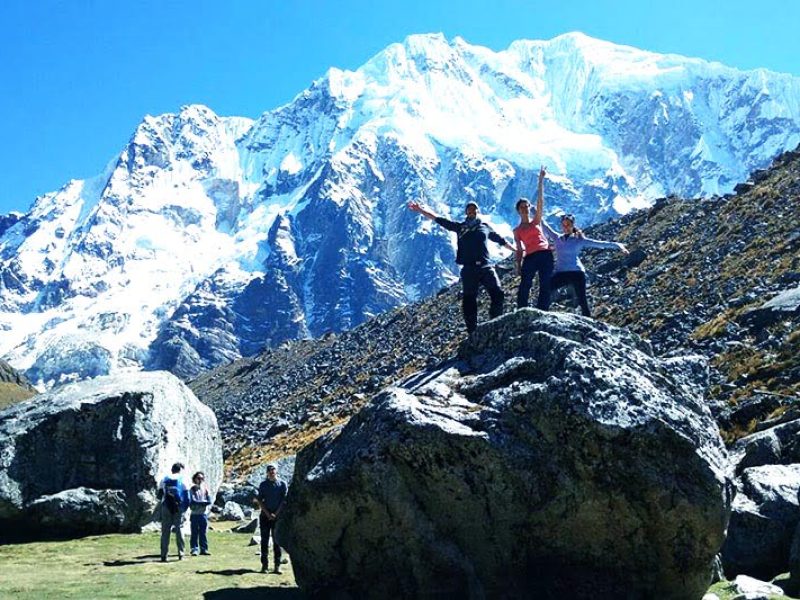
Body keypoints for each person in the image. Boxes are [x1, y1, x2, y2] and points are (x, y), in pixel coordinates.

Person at [407, 199, 515, 333]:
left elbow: (500, 240)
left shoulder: (485, 227)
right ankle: (472, 331)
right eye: (469, 209)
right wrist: (420, 210)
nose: (471, 211)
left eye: (474, 209)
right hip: (469, 268)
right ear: (466, 212)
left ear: (477, 211)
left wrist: (516, 251)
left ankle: (495, 322)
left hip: (486, 266)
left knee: (498, 293)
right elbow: (439, 219)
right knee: (469, 299)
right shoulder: (460, 227)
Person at [541, 213, 629, 316]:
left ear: (573, 225)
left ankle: (589, 323)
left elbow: (600, 244)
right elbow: (544, 225)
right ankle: (541, 314)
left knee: (582, 300)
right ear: (561, 226)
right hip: (561, 273)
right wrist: (532, 208)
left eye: (568, 225)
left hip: (577, 273)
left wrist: (619, 246)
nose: (566, 227)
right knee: (545, 289)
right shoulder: (557, 238)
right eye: (564, 225)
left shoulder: (579, 241)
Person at [514, 166, 554, 310]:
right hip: (530, 257)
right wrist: (518, 265)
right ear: (518, 211)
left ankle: (542, 310)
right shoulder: (517, 230)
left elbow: (540, 202)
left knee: (545, 283)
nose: (525, 209)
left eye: (526, 206)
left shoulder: (536, 220)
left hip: (545, 254)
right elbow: (519, 250)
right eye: (522, 207)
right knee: (525, 284)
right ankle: (522, 309)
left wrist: (540, 180)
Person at [256, 464, 288, 574]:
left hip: (277, 517)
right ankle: (264, 566)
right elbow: (260, 500)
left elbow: (284, 501)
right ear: (267, 472)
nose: (271, 472)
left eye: (273, 470)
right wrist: (268, 514)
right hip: (265, 517)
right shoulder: (263, 485)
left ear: (276, 471)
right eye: (269, 470)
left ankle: (277, 566)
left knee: (277, 541)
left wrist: (275, 514)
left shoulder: (282, 484)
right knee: (264, 541)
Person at [157, 462, 190, 562]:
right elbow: (187, 497)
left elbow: (159, 495)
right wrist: (184, 508)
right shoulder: (183, 479)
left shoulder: (164, 479)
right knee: (179, 529)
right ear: (180, 470)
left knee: (165, 531)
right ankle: (181, 554)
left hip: (166, 506)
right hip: (178, 507)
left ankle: (164, 555)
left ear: (172, 469)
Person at [188, 471, 212, 556]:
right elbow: (192, 501)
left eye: (202, 478)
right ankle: (194, 549)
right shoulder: (192, 489)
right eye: (198, 478)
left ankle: (204, 549)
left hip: (203, 514)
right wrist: (203, 502)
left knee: (203, 532)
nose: (200, 480)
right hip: (194, 514)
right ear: (195, 479)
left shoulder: (205, 489)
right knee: (194, 533)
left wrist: (200, 502)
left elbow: (209, 501)